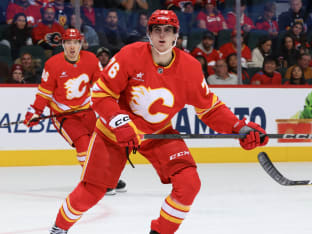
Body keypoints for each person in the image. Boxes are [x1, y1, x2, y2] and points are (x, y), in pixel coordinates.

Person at [48, 10, 268, 234]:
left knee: (189, 183)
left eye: (168, 30)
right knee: (92, 191)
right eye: (157, 30)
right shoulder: (129, 55)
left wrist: (238, 127)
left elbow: (210, 109)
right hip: (114, 133)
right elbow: (101, 94)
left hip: (158, 133)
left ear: (176, 36)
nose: (162, 36)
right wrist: (119, 122)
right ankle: (59, 228)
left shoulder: (190, 68)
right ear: (149, 34)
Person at [23, 28, 127, 196]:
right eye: (68, 42)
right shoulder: (52, 64)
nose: (72, 47)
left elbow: (101, 84)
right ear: (63, 44)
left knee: (101, 143)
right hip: (63, 115)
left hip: (87, 110)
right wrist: (34, 111)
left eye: (76, 42)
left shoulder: (92, 60)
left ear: (81, 43)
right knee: (83, 144)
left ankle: (109, 177)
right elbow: (44, 93)